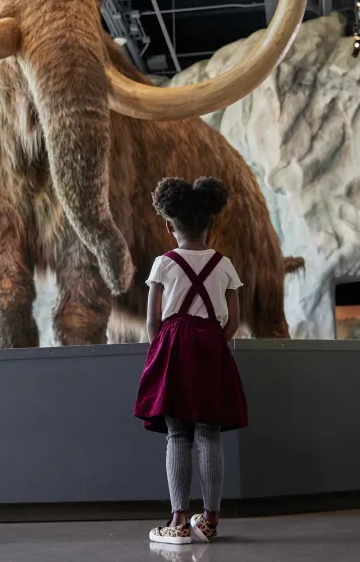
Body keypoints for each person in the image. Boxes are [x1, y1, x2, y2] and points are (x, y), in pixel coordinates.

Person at [134, 176, 248, 545]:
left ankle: (178, 520)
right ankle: (210, 519)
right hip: (210, 347)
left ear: (170, 225)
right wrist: (215, 341)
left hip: (173, 347)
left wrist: (160, 350)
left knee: (178, 433)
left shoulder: (162, 264)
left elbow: (153, 320)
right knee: (209, 432)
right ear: (211, 222)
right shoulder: (224, 264)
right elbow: (233, 318)